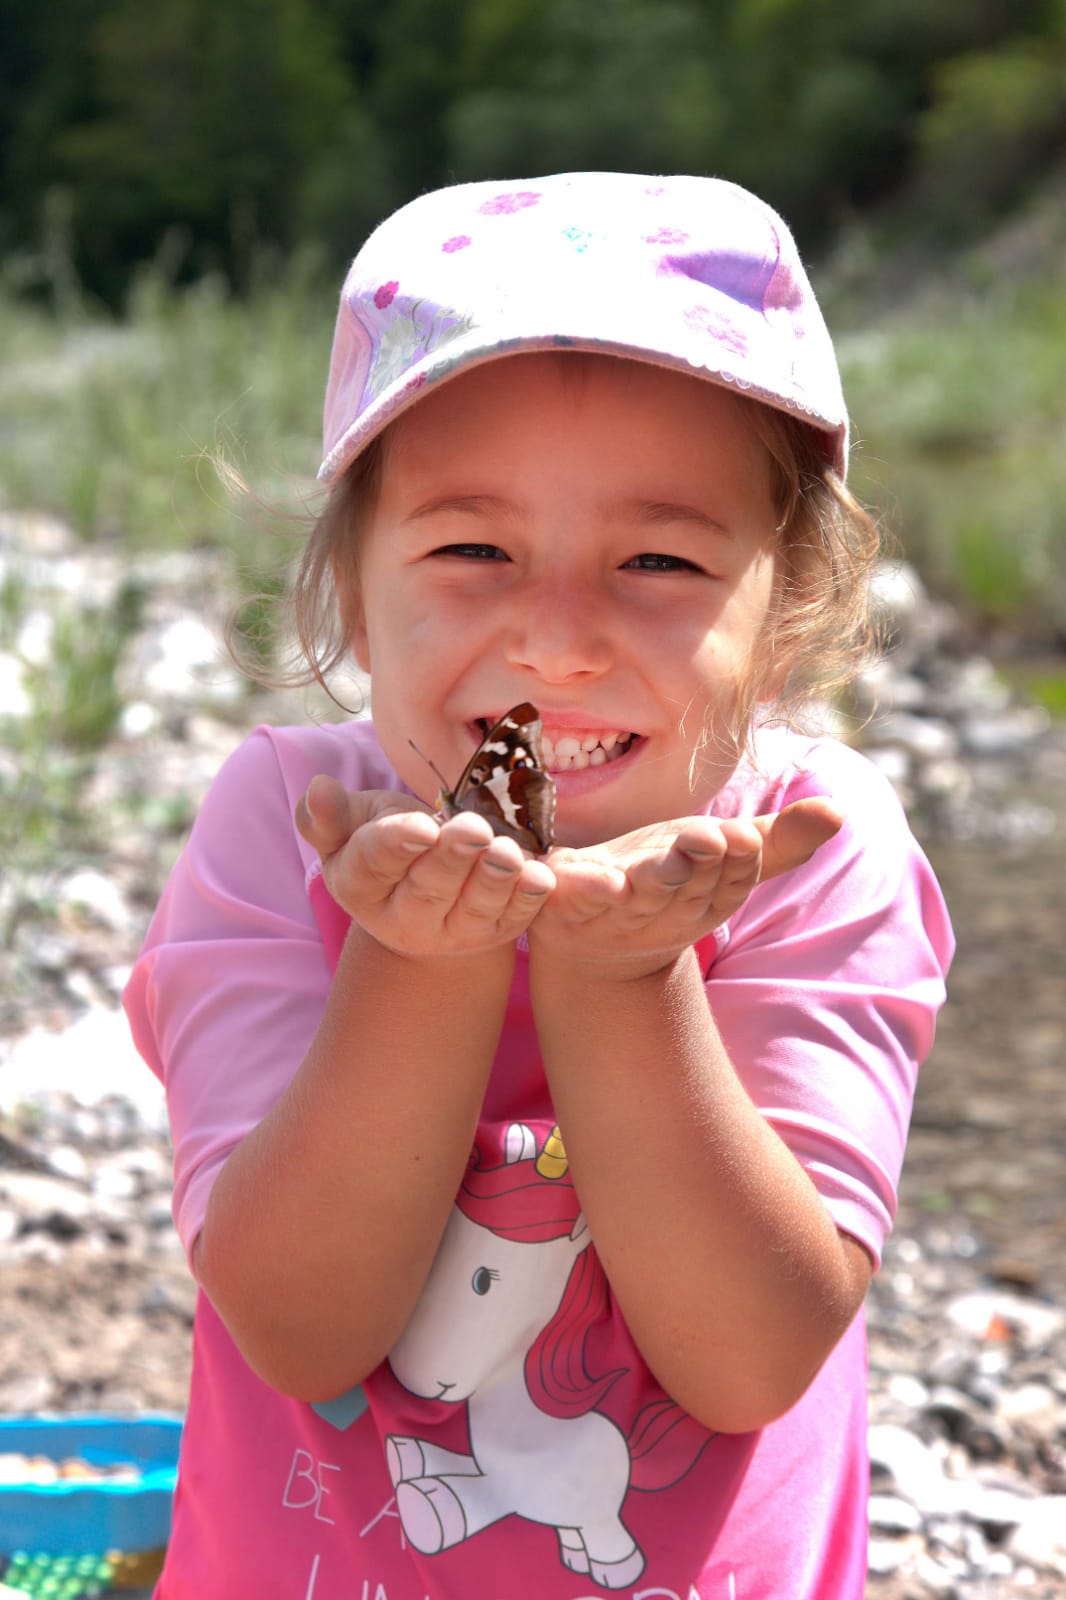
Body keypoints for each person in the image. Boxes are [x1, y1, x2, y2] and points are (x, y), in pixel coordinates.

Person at [124, 171, 954, 1600]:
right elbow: (301, 1330)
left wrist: (624, 972)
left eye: (657, 558)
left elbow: (748, 1356)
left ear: (783, 616)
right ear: (350, 596)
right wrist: (423, 955)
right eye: (469, 549)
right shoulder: (293, 822)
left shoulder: (809, 850)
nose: (558, 641)